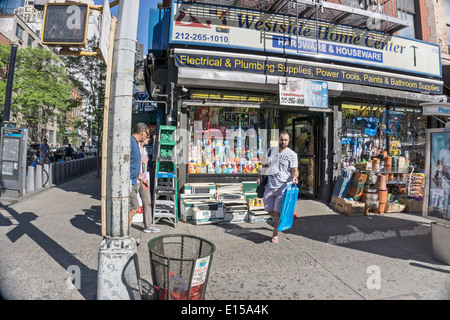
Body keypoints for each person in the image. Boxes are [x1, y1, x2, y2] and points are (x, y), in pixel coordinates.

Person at [257, 131, 299, 243]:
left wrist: (295, 177)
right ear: (278, 140)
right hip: (270, 185)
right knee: (268, 208)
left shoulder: (292, 154)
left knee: (277, 211)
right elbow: (265, 164)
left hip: (283, 187)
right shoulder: (271, 150)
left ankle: (275, 233)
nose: (283, 142)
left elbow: (295, 170)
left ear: (288, 141)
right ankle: (280, 218)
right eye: (281, 139)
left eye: (285, 140)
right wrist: (260, 176)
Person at [129, 123, 151, 228]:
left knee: (132, 208)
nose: (147, 136)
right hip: (129, 182)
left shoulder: (135, 143)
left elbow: (133, 166)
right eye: (147, 133)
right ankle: (123, 233)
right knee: (133, 208)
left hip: (133, 180)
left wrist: (141, 179)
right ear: (142, 132)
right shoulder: (131, 142)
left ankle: (124, 232)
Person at [139, 135, 160, 233]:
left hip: (144, 178)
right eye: (147, 137)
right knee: (132, 206)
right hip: (136, 179)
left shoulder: (145, 150)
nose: (149, 139)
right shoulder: (136, 149)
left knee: (147, 201)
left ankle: (148, 225)